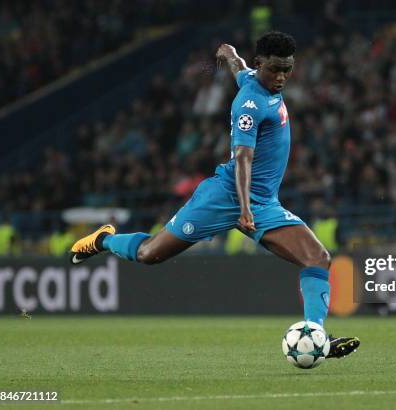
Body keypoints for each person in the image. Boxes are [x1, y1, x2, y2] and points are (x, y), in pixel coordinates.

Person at [70, 31, 359, 356]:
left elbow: (239, 69)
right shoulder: (248, 105)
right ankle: (103, 240)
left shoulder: (254, 77)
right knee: (149, 254)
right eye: (275, 69)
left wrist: (229, 53)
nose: (281, 77)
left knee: (318, 257)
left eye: (287, 70)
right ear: (261, 63)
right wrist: (245, 209)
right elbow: (242, 159)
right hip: (225, 197)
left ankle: (316, 335)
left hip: (263, 203)